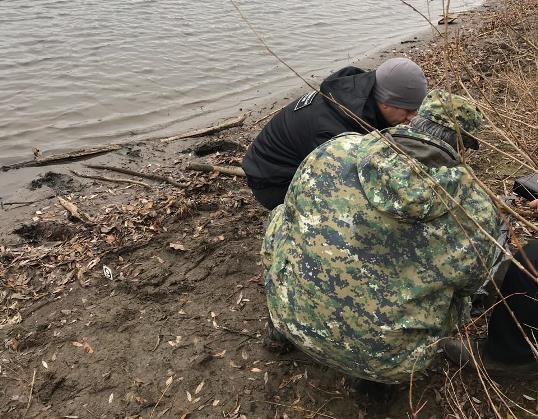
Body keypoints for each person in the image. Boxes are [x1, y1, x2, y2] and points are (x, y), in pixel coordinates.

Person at [261, 89, 502, 384]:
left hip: (291, 318)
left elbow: (292, 213)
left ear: (414, 121)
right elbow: (469, 285)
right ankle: (374, 368)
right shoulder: (477, 209)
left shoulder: (335, 149)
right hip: (391, 364)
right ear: (462, 147)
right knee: (461, 299)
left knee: (280, 217)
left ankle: (278, 329)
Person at [242, 57, 428, 210]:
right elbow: (349, 182)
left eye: (416, 110)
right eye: (408, 111)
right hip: (273, 181)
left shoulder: (364, 92)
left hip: (292, 158)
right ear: (386, 101)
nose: (411, 118)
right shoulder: (335, 130)